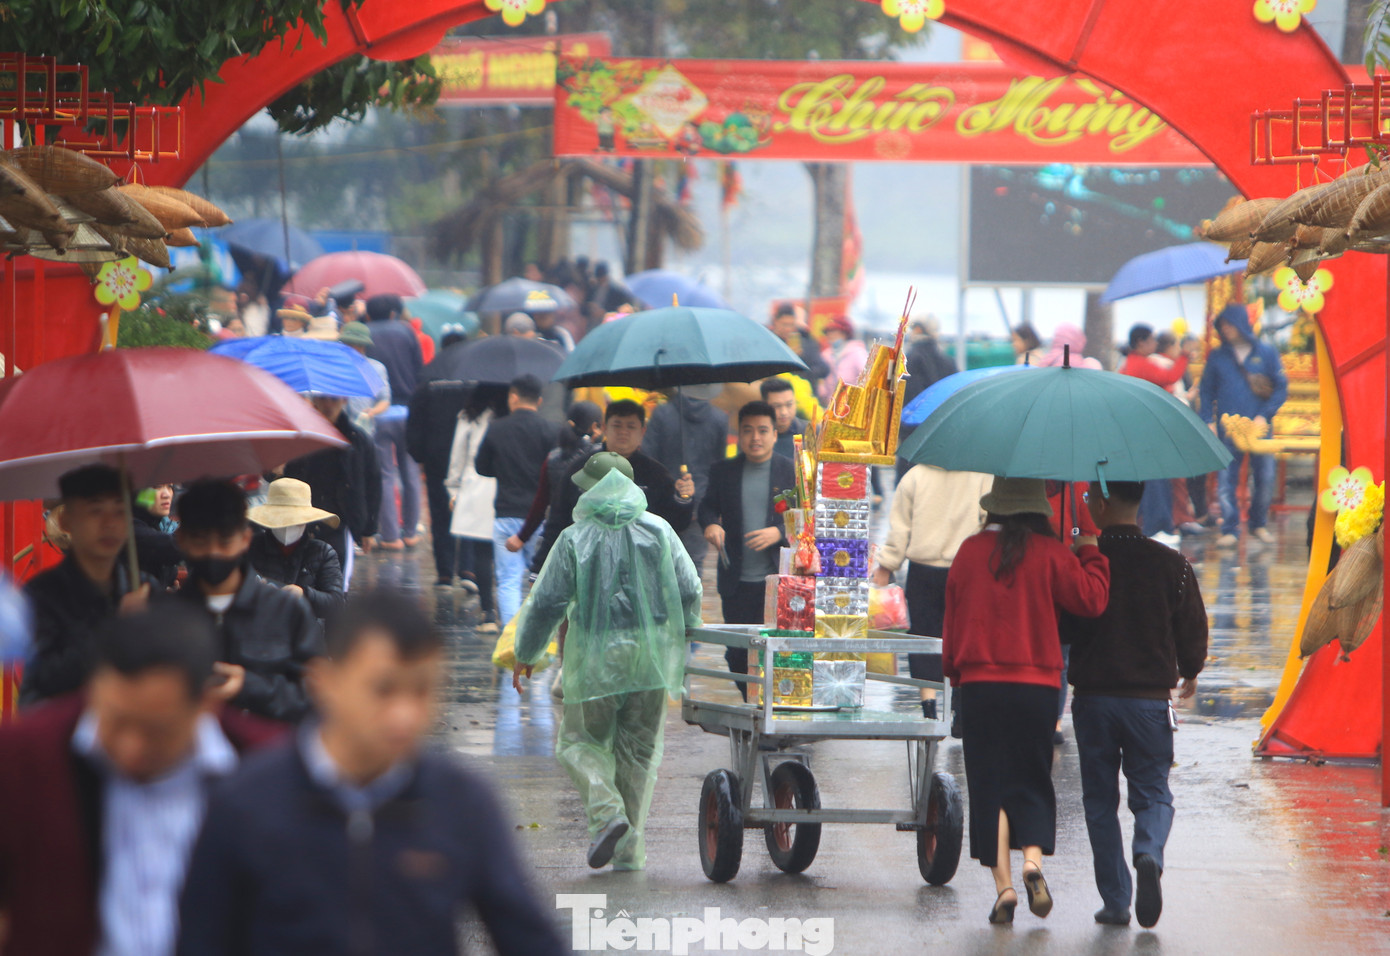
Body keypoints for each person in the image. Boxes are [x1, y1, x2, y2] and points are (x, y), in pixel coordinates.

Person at [179, 590, 567, 955]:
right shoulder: (245, 803)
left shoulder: (461, 802)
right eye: (382, 690)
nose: (404, 715)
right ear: (324, 683)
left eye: (422, 691)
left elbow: (529, 938)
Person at [0, 605, 281, 956]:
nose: (131, 748)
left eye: (155, 731)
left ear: (207, 705)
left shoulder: (268, 767)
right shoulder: (24, 760)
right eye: (115, 722)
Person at [512, 455, 703, 871]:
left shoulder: (574, 539)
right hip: (651, 658)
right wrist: (685, 633)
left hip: (597, 655)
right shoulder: (661, 531)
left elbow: (546, 603)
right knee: (637, 756)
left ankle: (606, 813)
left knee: (579, 743)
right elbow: (690, 588)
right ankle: (628, 855)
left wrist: (525, 655)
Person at [943, 476, 1109, 924]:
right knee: (1031, 778)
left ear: (994, 507)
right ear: (1039, 509)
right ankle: (1033, 863)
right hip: (1037, 687)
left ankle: (1005, 889)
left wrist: (956, 672)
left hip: (980, 685)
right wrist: (1090, 548)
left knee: (989, 785)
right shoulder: (1053, 552)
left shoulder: (970, 552)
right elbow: (1091, 600)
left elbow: (953, 620)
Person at [1062, 481, 1208, 928]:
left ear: (1103, 503)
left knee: (1100, 802)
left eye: (1089, 500)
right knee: (1153, 792)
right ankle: (1148, 851)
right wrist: (1190, 669)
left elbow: (1065, 625)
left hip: (1093, 700)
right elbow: (1192, 629)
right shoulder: (1172, 564)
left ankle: (1117, 900)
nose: (1086, 505)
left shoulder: (1085, 562)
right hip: (1148, 703)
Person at [172, 480, 323, 723]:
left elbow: (318, 696)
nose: (214, 553)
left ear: (244, 539)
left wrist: (252, 686)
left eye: (224, 542)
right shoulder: (166, 615)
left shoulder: (287, 610)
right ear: (181, 540)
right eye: (201, 542)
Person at [20, 465, 150, 706]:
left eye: (120, 511)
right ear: (67, 519)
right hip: (61, 731)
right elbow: (47, 676)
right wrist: (115, 626)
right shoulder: (40, 594)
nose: (110, 523)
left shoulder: (143, 588)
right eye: (96, 510)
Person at [873, 464, 991, 720]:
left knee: (923, 639)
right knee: (964, 638)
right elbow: (987, 521)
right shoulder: (982, 474)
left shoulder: (915, 475)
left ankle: (929, 708)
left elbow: (901, 527)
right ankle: (959, 705)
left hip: (923, 571)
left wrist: (888, 564)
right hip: (967, 568)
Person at [699, 401, 795, 690]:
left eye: (763, 431)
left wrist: (779, 532)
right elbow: (706, 508)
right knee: (738, 652)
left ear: (775, 434)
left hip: (777, 582)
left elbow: (807, 520)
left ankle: (772, 711)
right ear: (738, 435)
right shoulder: (723, 472)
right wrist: (711, 525)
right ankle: (750, 707)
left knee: (777, 651)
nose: (756, 438)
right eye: (748, 431)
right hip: (736, 580)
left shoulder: (790, 472)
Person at [538, 399, 696, 567]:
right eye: (617, 425)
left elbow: (674, 525)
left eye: (631, 426)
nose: (623, 432)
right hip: (586, 565)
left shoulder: (656, 474)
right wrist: (539, 567)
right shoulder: (581, 469)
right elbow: (558, 519)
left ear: (642, 431)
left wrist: (684, 498)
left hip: (639, 567)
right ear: (605, 428)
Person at [1200, 303, 1289, 548]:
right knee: (1226, 478)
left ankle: (1258, 524)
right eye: (1222, 325)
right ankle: (1229, 527)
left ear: (1241, 324)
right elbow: (1206, 391)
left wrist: (1265, 415)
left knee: (1265, 477)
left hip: (1260, 428)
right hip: (1228, 428)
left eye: (1230, 324)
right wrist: (1207, 420)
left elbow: (1281, 388)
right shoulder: (1217, 356)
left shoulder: (1267, 352)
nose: (1226, 329)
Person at [475, 374, 559, 625]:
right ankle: (537, 639)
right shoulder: (550, 430)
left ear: (513, 397)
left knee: (508, 580)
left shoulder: (496, 428)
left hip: (505, 513)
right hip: (540, 516)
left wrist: (503, 469)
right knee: (540, 580)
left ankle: (511, 641)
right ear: (540, 401)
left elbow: (481, 467)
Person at [283, 394, 382, 583]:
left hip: (340, 521)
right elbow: (284, 478)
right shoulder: (301, 436)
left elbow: (373, 483)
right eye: (323, 398)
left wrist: (369, 528)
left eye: (334, 399)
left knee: (335, 582)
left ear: (344, 400)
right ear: (314, 401)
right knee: (300, 581)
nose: (328, 404)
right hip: (303, 521)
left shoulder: (358, 439)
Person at [641, 388, 729, 569]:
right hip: (699, 508)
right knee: (692, 569)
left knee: (657, 568)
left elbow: (647, 459)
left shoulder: (661, 415)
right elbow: (719, 467)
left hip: (662, 507)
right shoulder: (719, 419)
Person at [407, 341, 472, 587]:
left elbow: (414, 425)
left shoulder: (427, 384)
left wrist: (419, 455)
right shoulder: (474, 384)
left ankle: (445, 572)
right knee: (467, 510)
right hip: (467, 459)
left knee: (440, 513)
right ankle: (468, 569)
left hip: (436, 459)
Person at [363, 294, 424, 551]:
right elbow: (420, 370)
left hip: (377, 412)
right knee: (411, 472)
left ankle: (390, 536)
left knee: (386, 474)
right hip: (408, 412)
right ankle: (410, 531)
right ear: (392, 313)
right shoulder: (406, 331)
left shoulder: (364, 333)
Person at [1121, 324, 1191, 546]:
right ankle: (1158, 526)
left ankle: (1151, 524)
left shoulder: (1131, 363)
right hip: (1146, 431)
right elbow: (1170, 376)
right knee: (1156, 480)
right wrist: (1185, 355)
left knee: (1150, 480)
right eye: (1151, 341)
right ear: (1141, 343)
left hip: (1139, 429)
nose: (1154, 345)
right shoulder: (1140, 364)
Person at [516, 401, 603, 572]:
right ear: (595, 427)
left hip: (558, 539)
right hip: (592, 541)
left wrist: (521, 537)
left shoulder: (553, 458)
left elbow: (540, 504)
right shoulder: (600, 458)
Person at [247, 478, 345, 621]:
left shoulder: (323, 552)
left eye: (296, 522)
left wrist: (304, 594)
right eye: (281, 519)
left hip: (306, 634)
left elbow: (335, 604)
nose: (288, 526)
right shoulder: (250, 547)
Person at [446, 390, 501, 633]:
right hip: (503, 485)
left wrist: (453, 489)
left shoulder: (469, 416)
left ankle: (489, 611)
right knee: (500, 550)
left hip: (476, 486)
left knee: (482, 550)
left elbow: (457, 457)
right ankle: (499, 607)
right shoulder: (504, 415)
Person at [337, 322, 391, 437]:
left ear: (363, 346)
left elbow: (384, 400)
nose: (349, 348)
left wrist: (372, 411)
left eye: (353, 345)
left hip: (364, 430)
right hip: (337, 429)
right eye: (346, 344)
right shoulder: (333, 366)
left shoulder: (375, 368)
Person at [133, 483, 183, 590]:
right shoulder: (129, 528)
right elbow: (171, 547)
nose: (166, 494)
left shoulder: (155, 525)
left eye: (170, 487)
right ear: (137, 492)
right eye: (156, 487)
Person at [770, 302, 830, 391]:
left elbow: (823, 369)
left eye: (791, 324)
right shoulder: (770, 343)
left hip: (805, 395)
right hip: (777, 391)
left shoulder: (806, 342)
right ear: (776, 322)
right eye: (784, 324)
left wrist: (800, 362)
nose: (788, 329)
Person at [819, 314, 869, 404]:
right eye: (828, 332)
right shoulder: (825, 354)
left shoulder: (857, 352)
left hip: (852, 404)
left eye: (834, 331)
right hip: (830, 406)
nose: (830, 334)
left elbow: (867, 377)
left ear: (845, 332)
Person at [760, 376, 807, 460]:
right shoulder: (756, 435)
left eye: (789, 405)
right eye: (777, 406)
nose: (784, 412)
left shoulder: (810, 432)